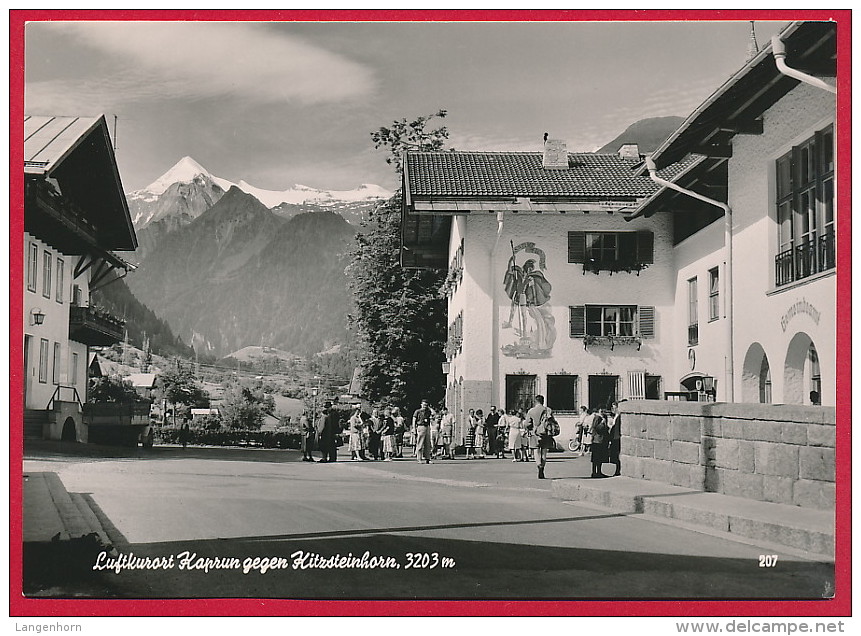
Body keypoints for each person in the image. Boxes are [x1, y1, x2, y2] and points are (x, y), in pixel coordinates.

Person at [526, 395, 553, 479]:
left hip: (535, 433)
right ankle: (543, 467)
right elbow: (552, 422)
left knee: (536, 451)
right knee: (544, 452)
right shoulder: (548, 410)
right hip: (545, 433)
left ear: (535, 401)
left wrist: (531, 428)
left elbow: (527, 423)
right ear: (543, 401)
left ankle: (539, 466)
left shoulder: (531, 411)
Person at [588, 408, 609, 478]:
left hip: (602, 440)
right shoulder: (597, 418)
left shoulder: (604, 417)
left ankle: (599, 471)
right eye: (601, 411)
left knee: (600, 457)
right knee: (596, 457)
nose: (603, 412)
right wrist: (602, 423)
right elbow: (596, 428)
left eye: (604, 411)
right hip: (597, 440)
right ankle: (595, 472)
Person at [413, 398, 434, 464]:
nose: (425, 406)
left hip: (427, 426)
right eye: (424, 405)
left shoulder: (428, 411)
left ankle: (428, 458)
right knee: (420, 443)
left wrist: (430, 408)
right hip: (421, 426)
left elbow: (434, 414)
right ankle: (419, 458)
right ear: (421, 404)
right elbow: (414, 420)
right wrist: (414, 428)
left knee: (428, 443)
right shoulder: (418, 411)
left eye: (426, 405)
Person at [608, 401, 623, 477]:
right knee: (614, 454)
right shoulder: (616, 416)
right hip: (614, 437)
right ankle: (617, 470)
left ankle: (618, 470)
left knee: (617, 454)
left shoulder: (619, 416)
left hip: (617, 437)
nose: (613, 409)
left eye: (614, 408)